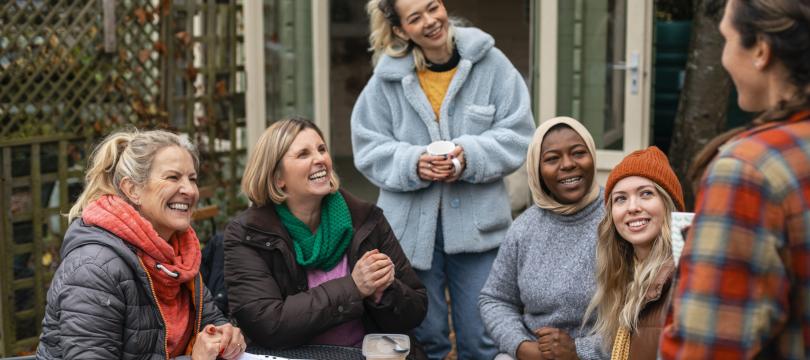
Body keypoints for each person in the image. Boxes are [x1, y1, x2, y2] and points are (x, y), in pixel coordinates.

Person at [352, 0, 535, 358]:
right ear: (403, 30)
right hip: (410, 233)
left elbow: (520, 135)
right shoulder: (386, 79)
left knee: (482, 338)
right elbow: (368, 146)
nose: (430, 21)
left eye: (432, 7)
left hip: (480, 229)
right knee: (425, 336)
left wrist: (470, 156)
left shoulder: (491, 63)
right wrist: (412, 163)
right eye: (415, 18)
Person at [659, 0, 810, 358]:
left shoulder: (748, 170)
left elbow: (706, 347)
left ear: (761, 50)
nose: (725, 57)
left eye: (726, 39)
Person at [223, 118, 427, 354]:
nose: (320, 159)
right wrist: (354, 287)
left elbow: (415, 310)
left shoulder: (366, 219)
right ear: (277, 178)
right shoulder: (248, 234)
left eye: (322, 150)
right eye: (303, 154)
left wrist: (384, 293)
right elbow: (267, 324)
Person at [37, 129, 245, 360]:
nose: (189, 190)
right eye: (173, 177)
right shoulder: (94, 267)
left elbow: (210, 322)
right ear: (132, 189)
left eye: (192, 179)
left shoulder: (180, 256)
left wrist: (224, 335)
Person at [479, 116, 606, 360]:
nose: (568, 164)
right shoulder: (524, 228)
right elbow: (495, 299)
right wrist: (523, 347)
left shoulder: (618, 218)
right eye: (552, 159)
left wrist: (579, 351)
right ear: (537, 170)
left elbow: (640, 319)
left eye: (578, 153)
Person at [581, 146, 684, 360]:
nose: (632, 207)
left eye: (646, 194)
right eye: (620, 198)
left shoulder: (683, 277)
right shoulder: (626, 276)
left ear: (668, 204)